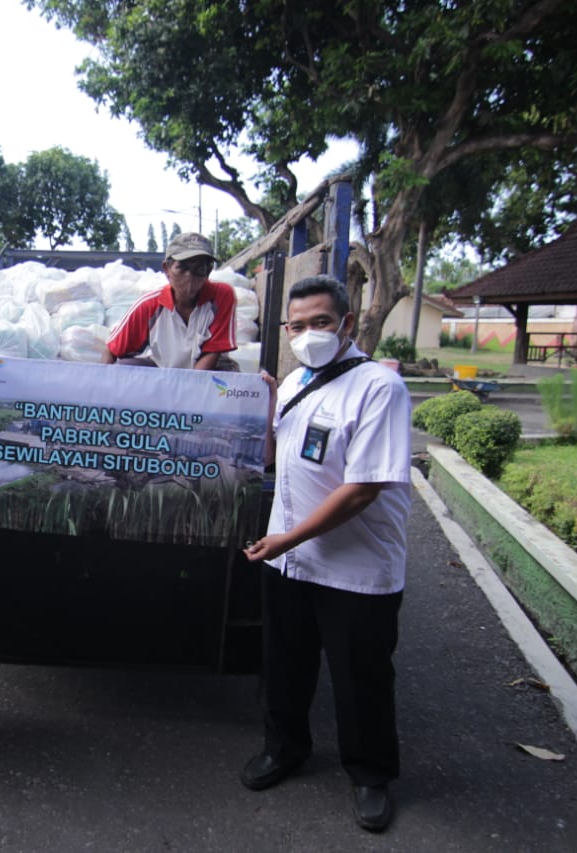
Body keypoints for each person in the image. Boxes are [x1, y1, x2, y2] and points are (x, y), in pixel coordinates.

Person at [240, 274, 412, 833]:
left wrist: (287, 538)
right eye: (298, 325)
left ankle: (370, 773)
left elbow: (363, 489)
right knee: (284, 665)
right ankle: (284, 748)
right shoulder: (295, 382)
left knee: (361, 675)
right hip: (289, 559)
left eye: (321, 322)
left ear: (347, 323)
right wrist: (265, 405)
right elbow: (273, 457)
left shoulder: (379, 388)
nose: (308, 333)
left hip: (355, 568)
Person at [101, 232, 238, 370]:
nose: (189, 276)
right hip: (164, 369)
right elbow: (112, 350)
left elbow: (213, 351)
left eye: (199, 269)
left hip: (207, 370)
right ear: (167, 269)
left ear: (208, 272)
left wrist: (191, 382)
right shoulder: (149, 306)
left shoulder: (221, 296)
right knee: (124, 366)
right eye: (182, 268)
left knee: (229, 371)